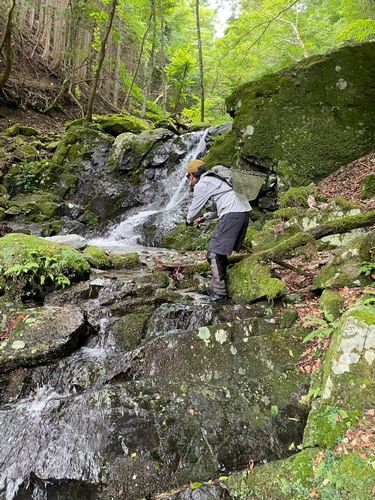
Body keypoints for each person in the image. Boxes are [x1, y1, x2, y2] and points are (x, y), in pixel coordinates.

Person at [186, 159, 251, 302]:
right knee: (219, 253)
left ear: (191, 175)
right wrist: (206, 216)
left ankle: (220, 293)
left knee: (213, 254)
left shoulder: (202, 183)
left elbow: (194, 208)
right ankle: (214, 287)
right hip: (242, 213)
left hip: (232, 214)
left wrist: (189, 221)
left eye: (188, 177)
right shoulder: (216, 179)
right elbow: (224, 203)